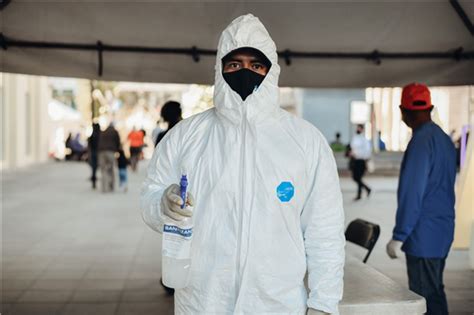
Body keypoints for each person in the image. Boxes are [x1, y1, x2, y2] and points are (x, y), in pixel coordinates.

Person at [141, 14, 345, 315]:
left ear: (271, 70)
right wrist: (162, 204)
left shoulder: (305, 142)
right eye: (234, 64)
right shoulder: (186, 137)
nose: (245, 72)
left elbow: (324, 230)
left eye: (256, 65)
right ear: (220, 69)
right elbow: (150, 196)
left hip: (277, 303)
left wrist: (324, 303)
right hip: (203, 300)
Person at [386, 83, 456, 315]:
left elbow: (412, 192)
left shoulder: (419, 143)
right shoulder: (444, 140)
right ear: (430, 108)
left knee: (423, 299)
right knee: (435, 292)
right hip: (442, 232)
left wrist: (399, 236)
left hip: (423, 235)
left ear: (403, 111)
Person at [349, 124, 372, 200]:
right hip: (354, 160)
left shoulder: (364, 139)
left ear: (362, 129)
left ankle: (362, 193)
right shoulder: (355, 138)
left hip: (361, 161)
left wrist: (365, 158)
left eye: (359, 128)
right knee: (356, 177)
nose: (358, 129)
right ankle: (366, 190)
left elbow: (367, 150)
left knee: (357, 177)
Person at [97, 122, 121, 193]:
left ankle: (104, 188)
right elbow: (118, 142)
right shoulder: (115, 132)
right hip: (110, 152)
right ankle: (111, 186)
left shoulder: (103, 132)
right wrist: (117, 151)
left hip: (101, 152)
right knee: (111, 169)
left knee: (103, 170)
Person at [88, 123, 101, 189]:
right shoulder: (100, 135)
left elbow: (89, 144)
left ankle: (94, 180)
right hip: (99, 153)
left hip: (94, 153)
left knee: (94, 168)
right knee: (97, 167)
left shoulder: (93, 135)